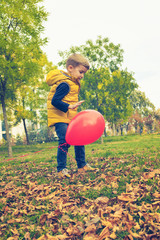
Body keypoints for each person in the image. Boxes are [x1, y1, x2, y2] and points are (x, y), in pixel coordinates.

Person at [46, 53, 95, 178]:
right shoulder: (65, 84)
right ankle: (61, 169)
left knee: (79, 138)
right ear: (70, 68)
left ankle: (82, 165)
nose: (82, 76)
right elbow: (55, 101)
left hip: (69, 116)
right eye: (80, 72)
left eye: (84, 73)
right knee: (65, 141)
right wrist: (69, 106)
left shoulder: (72, 82)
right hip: (59, 117)